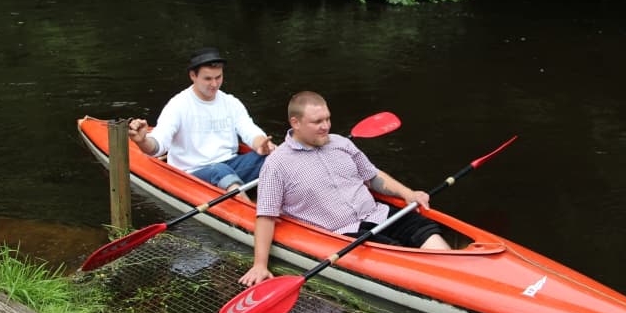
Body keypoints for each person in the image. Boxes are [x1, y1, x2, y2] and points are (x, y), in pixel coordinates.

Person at [239, 91, 450, 286]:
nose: (326, 126)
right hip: (344, 234)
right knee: (403, 257)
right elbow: (266, 216)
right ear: (295, 122)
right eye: (317, 122)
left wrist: (408, 193)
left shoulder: (341, 143)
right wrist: (260, 264)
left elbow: (373, 175)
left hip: (378, 213)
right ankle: (442, 287)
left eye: (327, 119)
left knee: (425, 230)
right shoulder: (277, 164)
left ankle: (451, 270)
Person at [127, 47, 276, 200]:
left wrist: (262, 145)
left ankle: (289, 206)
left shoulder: (231, 102)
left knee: (275, 158)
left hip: (230, 165)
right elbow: (157, 146)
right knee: (220, 170)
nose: (214, 84)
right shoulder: (178, 105)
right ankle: (250, 215)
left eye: (218, 77)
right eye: (208, 79)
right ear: (193, 76)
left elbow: (249, 130)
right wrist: (143, 141)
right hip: (192, 174)